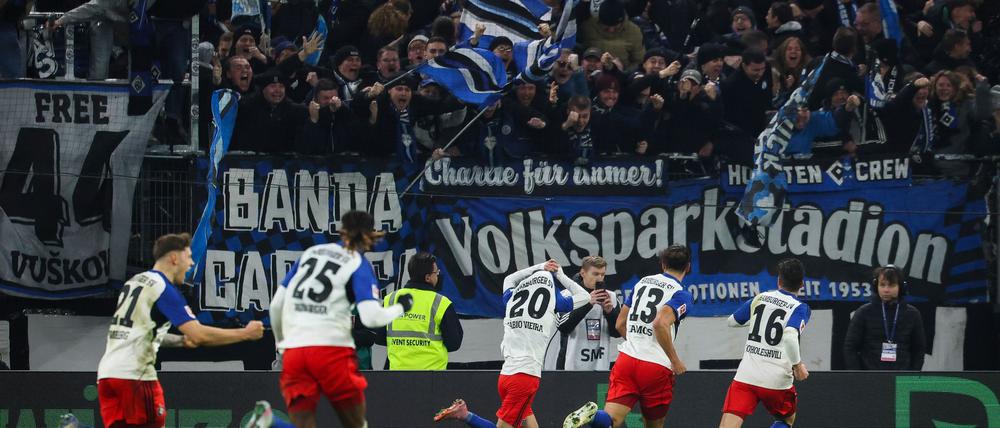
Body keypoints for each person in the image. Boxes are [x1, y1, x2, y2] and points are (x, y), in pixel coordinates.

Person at [97, 233, 265, 428]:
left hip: (108, 375)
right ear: (174, 258)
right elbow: (199, 335)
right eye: (189, 256)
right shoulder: (164, 288)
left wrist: (179, 341)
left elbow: (141, 334)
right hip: (136, 377)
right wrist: (245, 334)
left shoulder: (135, 282)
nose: (192, 263)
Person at [269, 210, 415, 428]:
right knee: (355, 423)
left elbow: (276, 305)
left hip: (296, 350)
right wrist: (401, 307)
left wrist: (282, 345)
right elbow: (372, 317)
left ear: (342, 231)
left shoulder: (312, 252)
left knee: (303, 422)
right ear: (370, 235)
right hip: (329, 350)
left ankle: (272, 423)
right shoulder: (358, 263)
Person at [434, 259, 591, 428]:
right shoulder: (554, 300)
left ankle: (464, 414)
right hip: (525, 378)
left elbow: (510, 278)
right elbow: (586, 296)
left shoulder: (512, 297)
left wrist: (539, 267)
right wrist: (559, 274)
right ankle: (465, 415)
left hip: (507, 376)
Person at [563, 245, 695, 428]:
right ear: (688, 267)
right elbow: (660, 324)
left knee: (612, 420)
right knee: (654, 424)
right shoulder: (682, 294)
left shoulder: (643, 282)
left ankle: (593, 416)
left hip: (627, 359)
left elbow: (619, 323)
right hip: (655, 366)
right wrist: (675, 360)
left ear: (663, 264)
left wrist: (635, 341)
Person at [718, 258, 811, 428]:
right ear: (801, 284)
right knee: (786, 420)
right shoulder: (800, 307)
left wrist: (757, 318)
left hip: (746, 376)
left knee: (728, 424)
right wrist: (798, 366)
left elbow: (732, 321)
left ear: (779, 281)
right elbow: (790, 336)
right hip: (776, 380)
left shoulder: (761, 298)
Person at [380, 252, 464, 370]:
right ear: (428, 277)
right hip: (432, 379)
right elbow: (454, 343)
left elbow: (379, 337)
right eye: (436, 272)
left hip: (398, 377)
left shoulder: (390, 300)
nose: (438, 276)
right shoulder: (441, 303)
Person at [843, 265, 926, 371]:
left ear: (901, 287)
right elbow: (850, 347)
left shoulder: (913, 314)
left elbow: (919, 349)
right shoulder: (863, 312)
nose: (886, 290)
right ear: (875, 286)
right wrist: (858, 376)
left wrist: (911, 375)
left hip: (902, 377)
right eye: (882, 285)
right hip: (870, 378)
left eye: (891, 285)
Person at [552, 256, 621, 371]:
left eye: (602, 274)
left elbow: (618, 332)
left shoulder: (611, 297)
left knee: (601, 389)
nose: (600, 279)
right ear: (583, 273)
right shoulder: (568, 296)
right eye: (595, 274)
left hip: (600, 366)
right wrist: (587, 304)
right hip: (570, 368)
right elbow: (562, 326)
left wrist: (610, 312)